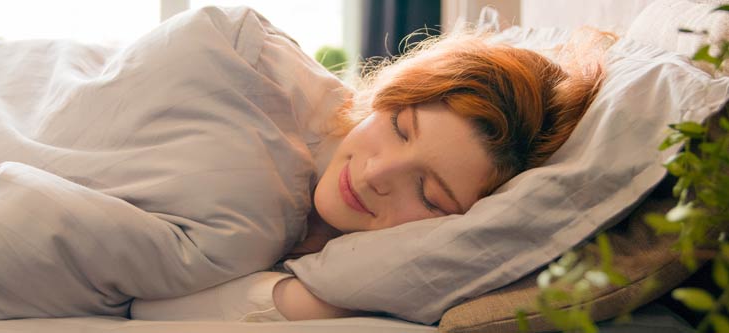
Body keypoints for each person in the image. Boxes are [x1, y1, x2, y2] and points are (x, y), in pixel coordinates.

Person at [130, 26, 615, 321]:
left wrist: (341, 296)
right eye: (401, 129)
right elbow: (145, 300)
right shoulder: (272, 125)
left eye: (428, 195)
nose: (377, 172)